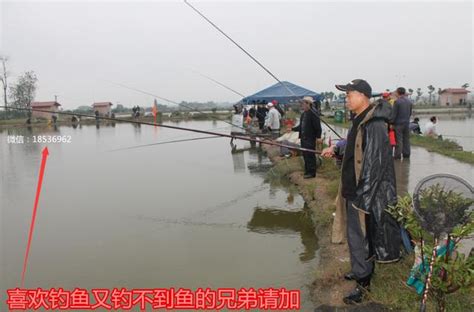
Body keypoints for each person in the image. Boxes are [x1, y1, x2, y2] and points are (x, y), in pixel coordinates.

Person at [322, 79, 400, 304]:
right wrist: (336, 148)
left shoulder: (374, 124)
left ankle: (363, 283)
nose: (346, 99)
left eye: (349, 95)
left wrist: (361, 199)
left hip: (361, 195)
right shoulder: (361, 120)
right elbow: (354, 145)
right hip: (351, 189)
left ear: (363, 96)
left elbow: (375, 166)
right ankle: (359, 269)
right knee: (354, 236)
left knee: (361, 238)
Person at [292, 96, 322, 179]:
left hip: (310, 138)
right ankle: (307, 171)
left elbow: (318, 127)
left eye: (303, 103)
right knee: (305, 155)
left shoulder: (313, 113)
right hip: (303, 138)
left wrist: (318, 137)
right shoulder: (303, 114)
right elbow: (300, 127)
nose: (301, 105)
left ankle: (312, 173)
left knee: (310, 155)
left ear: (308, 104)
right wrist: (292, 129)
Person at [390, 87, 413, 159]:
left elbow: (394, 115)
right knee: (406, 139)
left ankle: (397, 155)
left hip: (398, 124)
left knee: (399, 140)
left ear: (397, 92)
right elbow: (410, 113)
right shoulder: (409, 102)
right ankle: (406, 154)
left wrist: (391, 123)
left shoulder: (397, 102)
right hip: (406, 123)